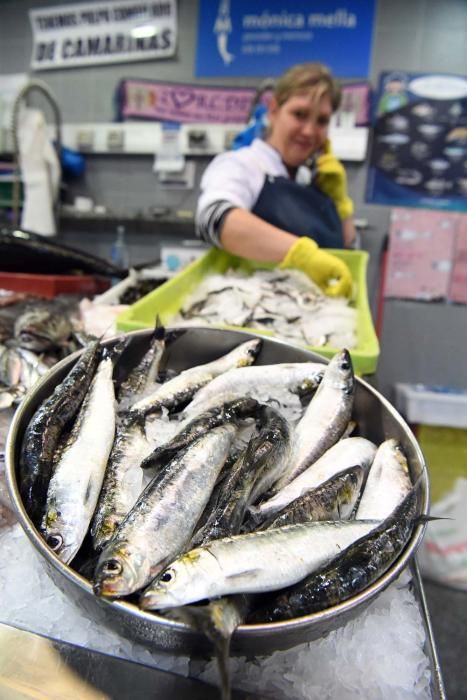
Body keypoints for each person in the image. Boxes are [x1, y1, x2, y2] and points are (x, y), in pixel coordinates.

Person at [196, 62, 356, 297]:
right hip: (255, 313)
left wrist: (341, 204)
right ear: (273, 110)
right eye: (299, 114)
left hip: (321, 312)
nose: (310, 131)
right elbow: (214, 219)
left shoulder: (310, 179)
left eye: (321, 121)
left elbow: (347, 248)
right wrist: (301, 256)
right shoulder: (243, 164)